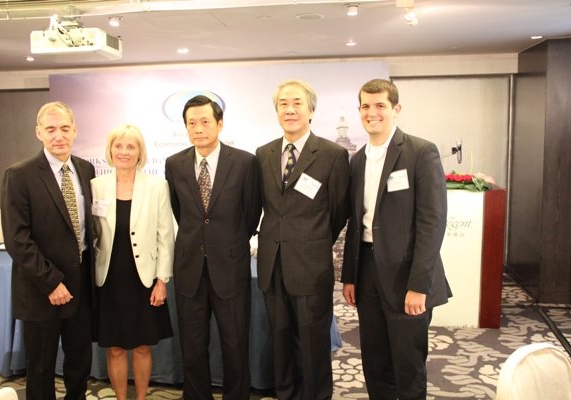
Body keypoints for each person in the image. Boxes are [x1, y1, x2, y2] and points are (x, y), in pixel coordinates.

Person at [341, 79, 452, 400]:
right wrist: (349, 276)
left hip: (407, 277)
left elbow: (432, 223)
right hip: (367, 275)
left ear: (396, 109)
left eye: (380, 106)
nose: (372, 113)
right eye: (365, 106)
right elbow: (355, 221)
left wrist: (419, 285)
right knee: (375, 362)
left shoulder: (420, 152)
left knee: (408, 364)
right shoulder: (357, 159)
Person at [255, 79, 350, 399]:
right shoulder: (264, 153)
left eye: (296, 103)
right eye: (283, 103)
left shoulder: (332, 154)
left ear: (311, 110)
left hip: (311, 266)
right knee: (280, 340)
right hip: (272, 264)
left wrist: (311, 240)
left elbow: (338, 212)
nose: (290, 109)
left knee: (312, 342)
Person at [165, 95, 262, 399]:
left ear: (220, 124)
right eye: (191, 123)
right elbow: (181, 212)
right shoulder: (174, 164)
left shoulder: (245, 162)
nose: (198, 128)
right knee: (192, 347)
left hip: (230, 268)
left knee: (235, 345)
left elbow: (251, 213)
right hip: (189, 271)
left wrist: (227, 244)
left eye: (205, 121)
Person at [1, 101, 95, 400]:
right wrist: (51, 282)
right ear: (39, 132)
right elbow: (17, 239)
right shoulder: (20, 174)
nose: (59, 136)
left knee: (80, 361)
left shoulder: (85, 168)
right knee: (40, 367)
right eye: (51, 129)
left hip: (81, 284)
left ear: (75, 130)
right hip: (41, 289)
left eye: (65, 129)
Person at [90, 124, 174, 400]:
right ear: (110, 150)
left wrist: (162, 280)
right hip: (109, 278)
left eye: (130, 146)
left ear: (140, 152)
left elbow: (166, 237)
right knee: (113, 347)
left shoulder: (157, 186)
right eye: (118, 146)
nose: (124, 152)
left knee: (142, 346)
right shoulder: (95, 186)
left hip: (144, 279)